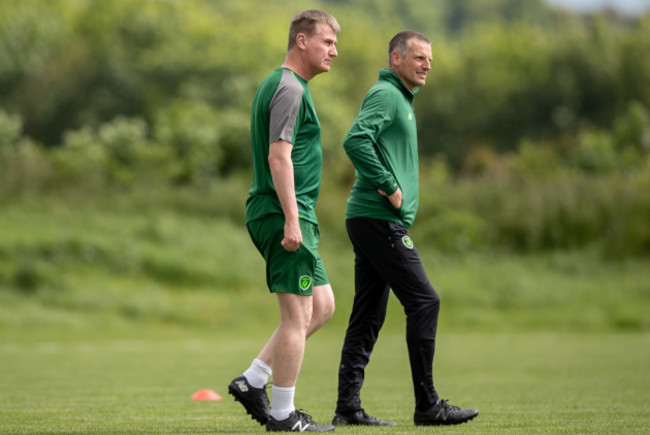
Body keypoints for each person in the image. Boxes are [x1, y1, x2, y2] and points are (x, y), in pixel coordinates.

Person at [331, 31, 479, 427]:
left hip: (372, 219)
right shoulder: (387, 94)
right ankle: (428, 405)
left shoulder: (402, 99)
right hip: (378, 218)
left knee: (368, 315)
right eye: (418, 57)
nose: (427, 63)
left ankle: (348, 407)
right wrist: (389, 184)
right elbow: (355, 139)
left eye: (430, 58)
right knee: (424, 301)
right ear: (396, 59)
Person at [227, 9, 340, 433]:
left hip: (289, 212)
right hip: (282, 213)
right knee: (297, 316)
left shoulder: (287, 85)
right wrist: (293, 220)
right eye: (327, 42)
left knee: (322, 306)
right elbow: (279, 157)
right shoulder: (290, 88)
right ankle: (282, 416)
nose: (334, 51)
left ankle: (253, 380)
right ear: (301, 41)